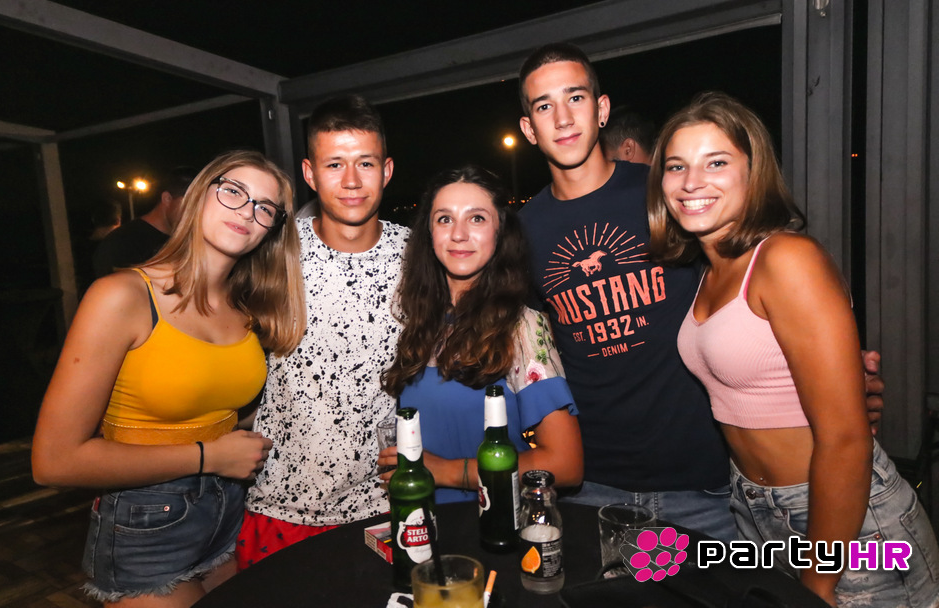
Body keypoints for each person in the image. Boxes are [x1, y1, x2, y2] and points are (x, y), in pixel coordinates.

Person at [514, 43, 886, 541]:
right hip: (592, 485)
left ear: (601, 109)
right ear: (529, 128)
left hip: (707, 486)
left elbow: (760, 275)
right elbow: (527, 349)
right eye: (544, 106)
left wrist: (835, 373)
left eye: (575, 97)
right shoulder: (521, 233)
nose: (562, 118)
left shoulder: (671, 194)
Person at [649, 91, 939, 607]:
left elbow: (846, 438)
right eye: (676, 166)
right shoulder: (710, 272)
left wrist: (820, 580)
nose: (691, 182)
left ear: (753, 171)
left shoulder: (785, 258)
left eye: (716, 162)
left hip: (846, 524)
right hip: (754, 510)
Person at [31, 150, 306, 607]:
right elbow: (54, 462)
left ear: (272, 229)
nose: (246, 212)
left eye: (265, 207)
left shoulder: (244, 307)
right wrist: (209, 456)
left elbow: (217, 408)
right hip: (147, 523)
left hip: (227, 511)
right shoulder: (122, 296)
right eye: (234, 192)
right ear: (199, 195)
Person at [238, 95, 410, 569]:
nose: (351, 181)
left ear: (387, 170)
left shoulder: (419, 256)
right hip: (281, 504)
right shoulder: (271, 254)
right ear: (310, 174)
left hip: (384, 505)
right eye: (334, 164)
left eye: (365, 163)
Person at [379, 165, 582, 503]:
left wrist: (446, 471)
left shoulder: (520, 327)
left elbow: (566, 463)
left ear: (500, 232)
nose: (458, 234)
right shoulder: (417, 322)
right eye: (445, 219)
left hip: (493, 522)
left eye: (476, 218)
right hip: (424, 523)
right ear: (429, 233)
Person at [93, 166, 196, 277]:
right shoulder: (122, 243)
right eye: (190, 203)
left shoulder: (189, 241)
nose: (195, 212)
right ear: (167, 199)